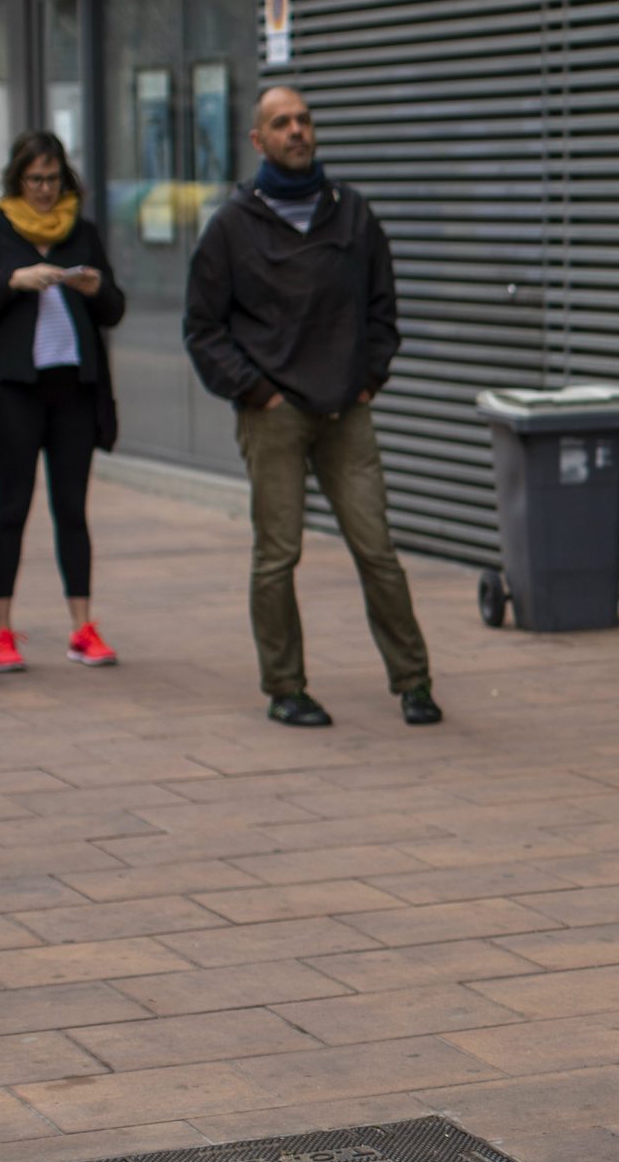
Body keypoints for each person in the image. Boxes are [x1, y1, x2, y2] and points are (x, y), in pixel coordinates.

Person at [185, 85, 442, 729]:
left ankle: (413, 681)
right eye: (281, 123)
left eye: (303, 119)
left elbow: (383, 304)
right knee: (278, 555)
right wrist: (256, 392)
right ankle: (286, 688)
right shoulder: (232, 226)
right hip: (274, 412)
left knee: (376, 547)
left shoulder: (350, 213)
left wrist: (370, 378)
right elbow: (202, 328)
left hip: (345, 411)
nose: (296, 131)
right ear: (258, 141)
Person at [0, 131, 125, 672]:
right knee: (13, 508)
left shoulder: (82, 232)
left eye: (52, 179)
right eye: (35, 180)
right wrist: (14, 280)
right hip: (13, 392)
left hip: (74, 390)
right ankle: (1, 630)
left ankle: (83, 627)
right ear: (17, 180)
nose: (45, 190)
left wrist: (95, 289)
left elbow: (114, 309)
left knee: (72, 510)